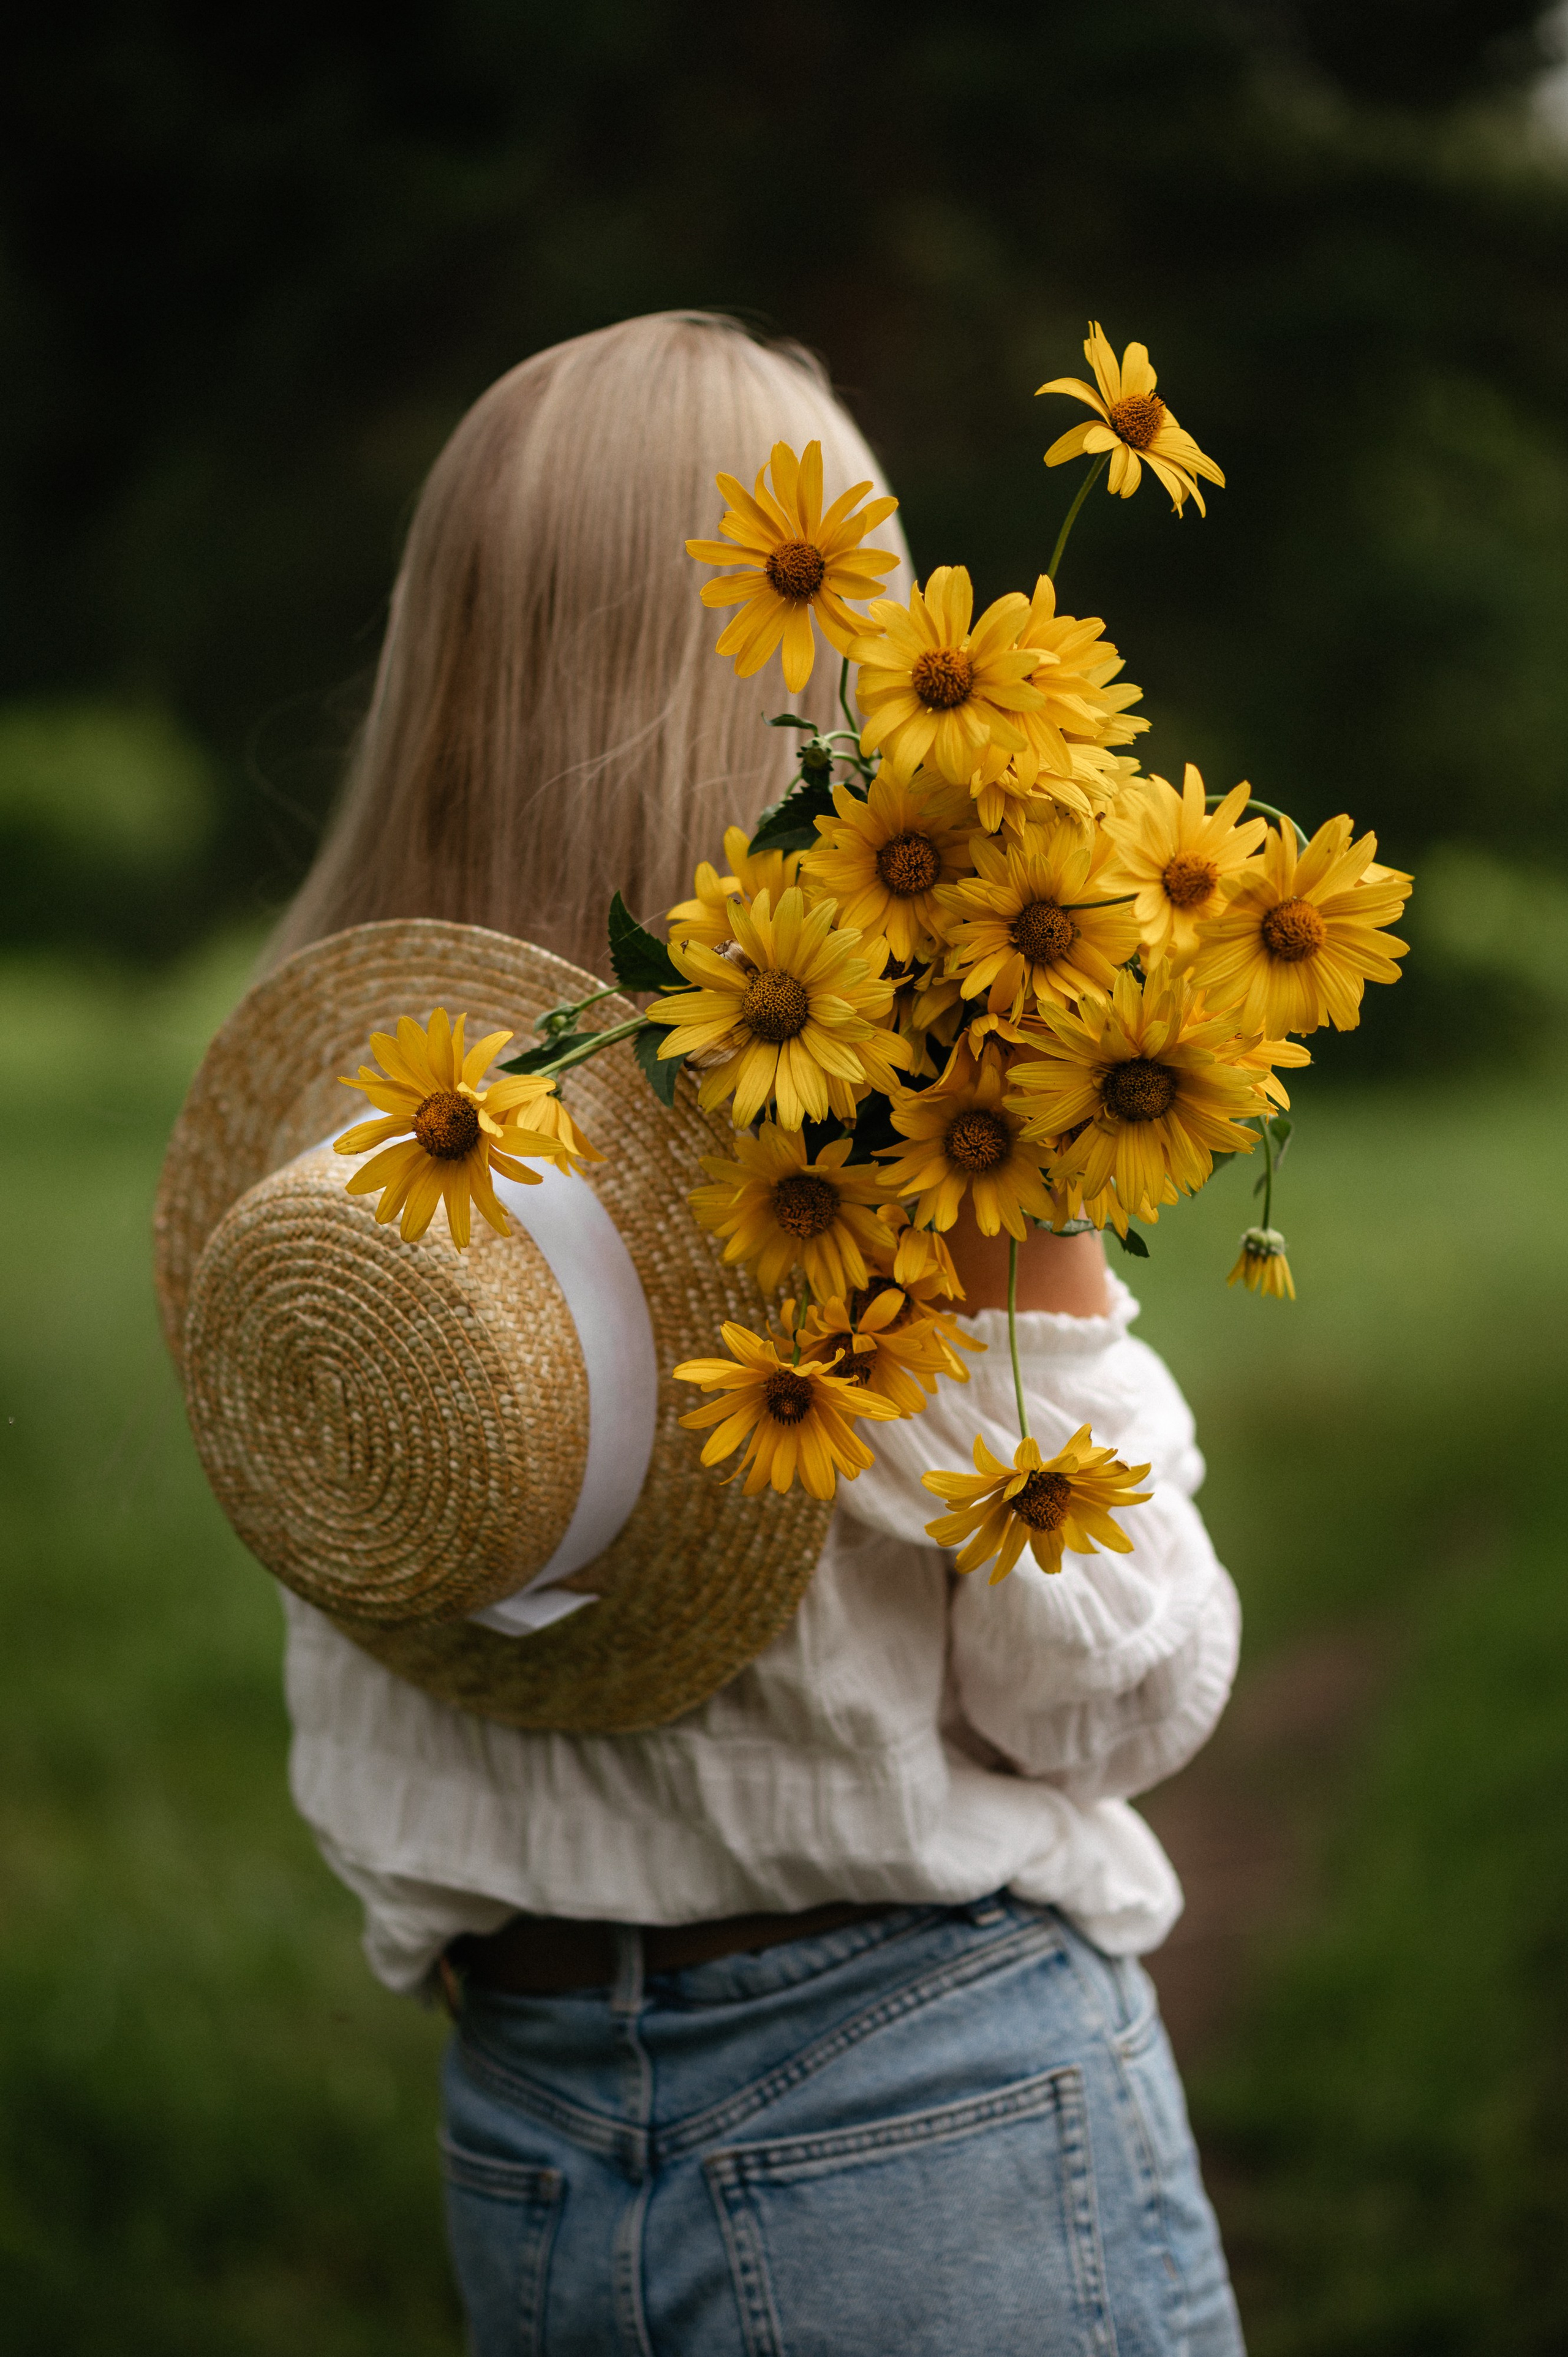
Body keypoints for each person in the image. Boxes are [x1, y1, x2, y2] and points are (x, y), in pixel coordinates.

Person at [267, 311, 1246, 2355]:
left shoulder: (346, 1163)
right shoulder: (872, 1160)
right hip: (924, 2099)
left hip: (520, 2127)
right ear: (825, 653)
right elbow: (1115, 1695)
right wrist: (1043, 1239)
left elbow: (376, 1673)